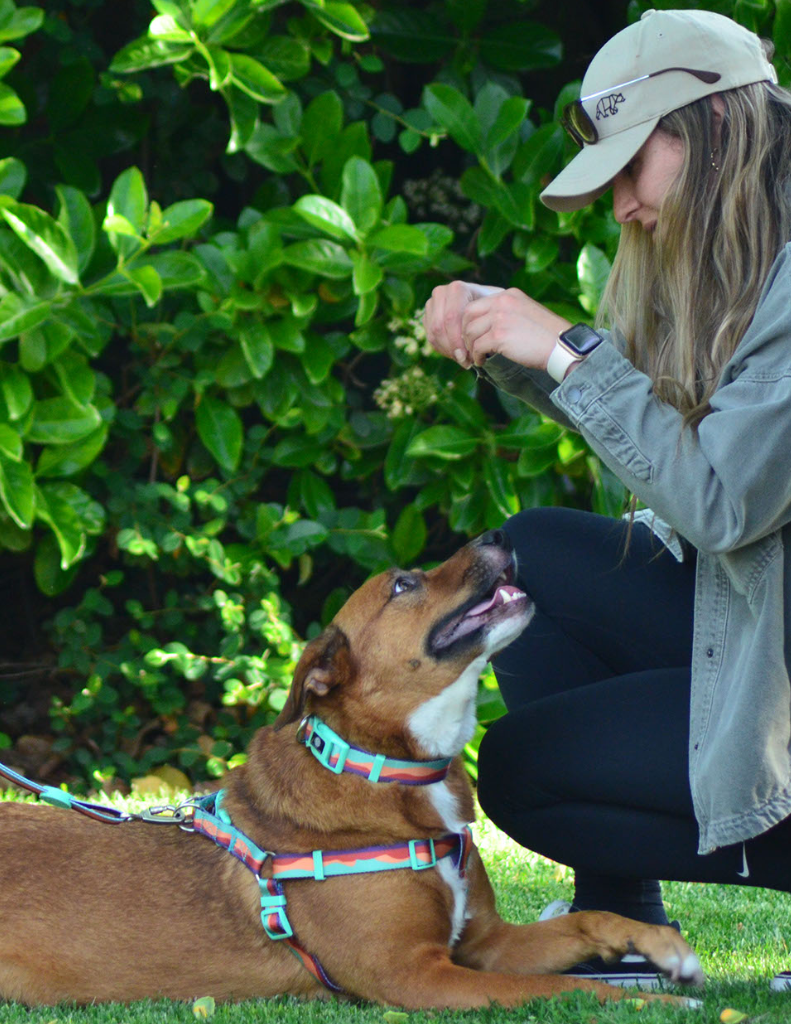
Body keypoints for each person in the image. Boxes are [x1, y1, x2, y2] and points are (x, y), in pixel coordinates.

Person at [423, 7, 791, 990]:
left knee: (521, 773)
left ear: (709, 130)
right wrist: (517, 345)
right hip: (763, 624)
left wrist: (565, 350)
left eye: (632, 166)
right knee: (531, 555)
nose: (622, 205)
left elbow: (719, 505)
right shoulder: (758, 239)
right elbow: (676, 446)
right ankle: (623, 924)